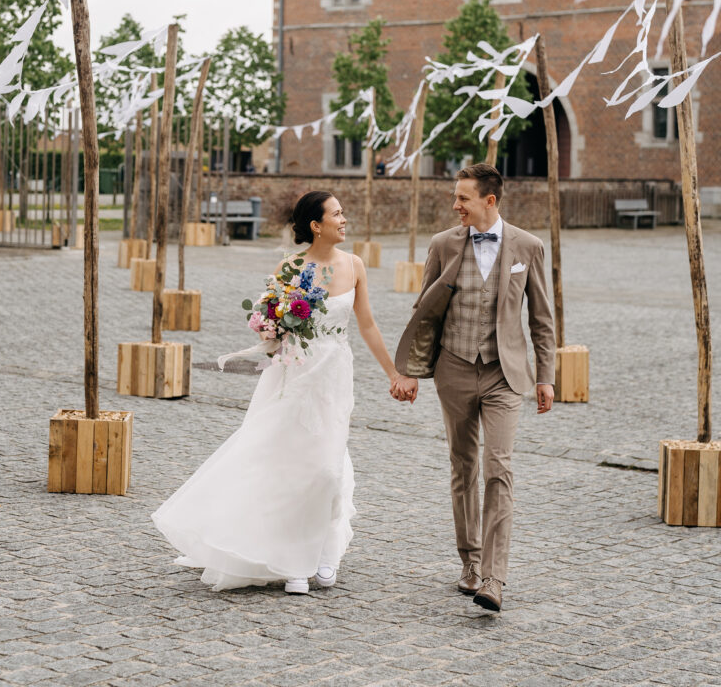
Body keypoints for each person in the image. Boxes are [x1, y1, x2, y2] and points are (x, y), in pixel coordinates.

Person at [151, 190, 408, 594]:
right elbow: (269, 321)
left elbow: (369, 326)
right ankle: (294, 563)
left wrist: (394, 373)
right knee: (291, 462)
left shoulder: (355, 265)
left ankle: (324, 552)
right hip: (294, 374)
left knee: (327, 466)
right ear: (315, 225)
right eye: (337, 214)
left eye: (343, 213)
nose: (345, 220)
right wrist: (271, 328)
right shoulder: (290, 267)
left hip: (334, 375)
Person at [391, 163, 555, 613]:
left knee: (497, 468)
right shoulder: (443, 245)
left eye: (462, 197)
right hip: (455, 370)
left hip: (505, 375)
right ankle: (469, 562)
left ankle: (494, 578)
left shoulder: (529, 246)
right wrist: (408, 370)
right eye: (455, 197)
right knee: (463, 466)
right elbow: (423, 312)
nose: (455, 205)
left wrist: (546, 376)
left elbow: (541, 318)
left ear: (489, 200)